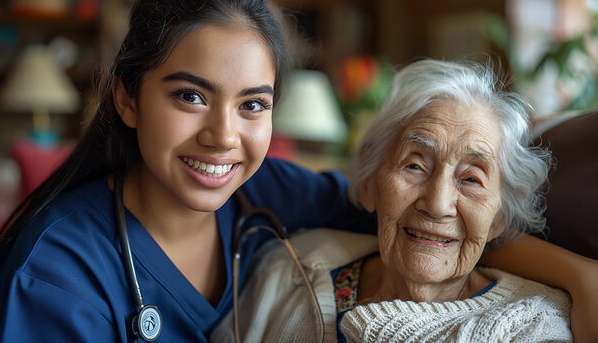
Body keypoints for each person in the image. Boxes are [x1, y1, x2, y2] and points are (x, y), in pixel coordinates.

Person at [0, 0, 595, 341]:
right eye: (190, 96)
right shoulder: (55, 279)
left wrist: (578, 276)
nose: (222, 136)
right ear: (126, 97)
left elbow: (421, 221)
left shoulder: (267, 192)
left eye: (252, 104)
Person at [209, 60, 588, 342]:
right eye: (414, 165)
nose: (438, 203)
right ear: (371, 184)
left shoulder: (529, 329)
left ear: (501, 214)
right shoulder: (291, 269)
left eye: (471, 179)